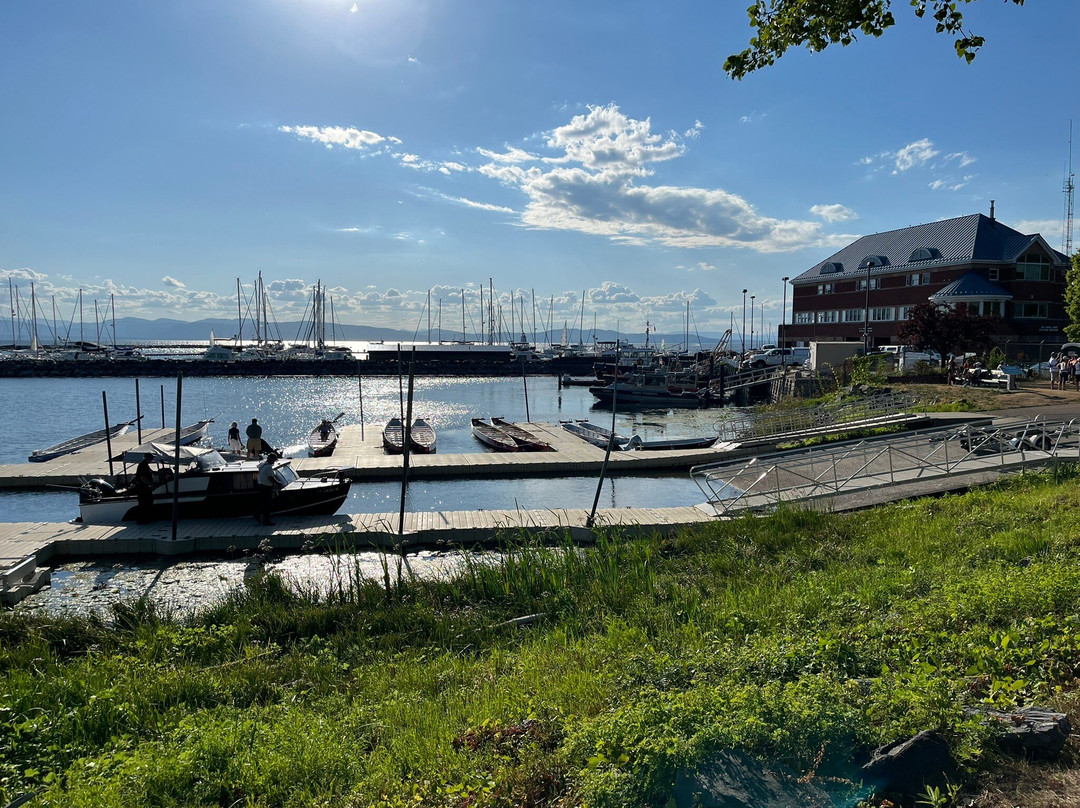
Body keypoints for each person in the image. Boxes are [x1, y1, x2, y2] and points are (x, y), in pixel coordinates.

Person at [256, 451, 281, 526]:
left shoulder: (263, 464)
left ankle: (257, 514)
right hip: (266, 487)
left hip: (261, 486)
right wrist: (278, 483)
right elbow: (271, 478)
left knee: (266, 503)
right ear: (270, 458)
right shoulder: (268, 467)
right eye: (273, 460)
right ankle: (265, 521)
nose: (274, 461)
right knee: (268, 504)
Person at [132, 453, 156, 524]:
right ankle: (142, 519)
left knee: (148, 502)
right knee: (144, 503)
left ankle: (146, 518)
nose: (151, 460)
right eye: (150, 458)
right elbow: (143, 477)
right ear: (146, 458)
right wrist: (151, 485)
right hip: (143, 488)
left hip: (145, 488)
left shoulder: (146, 465)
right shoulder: (142, 465)